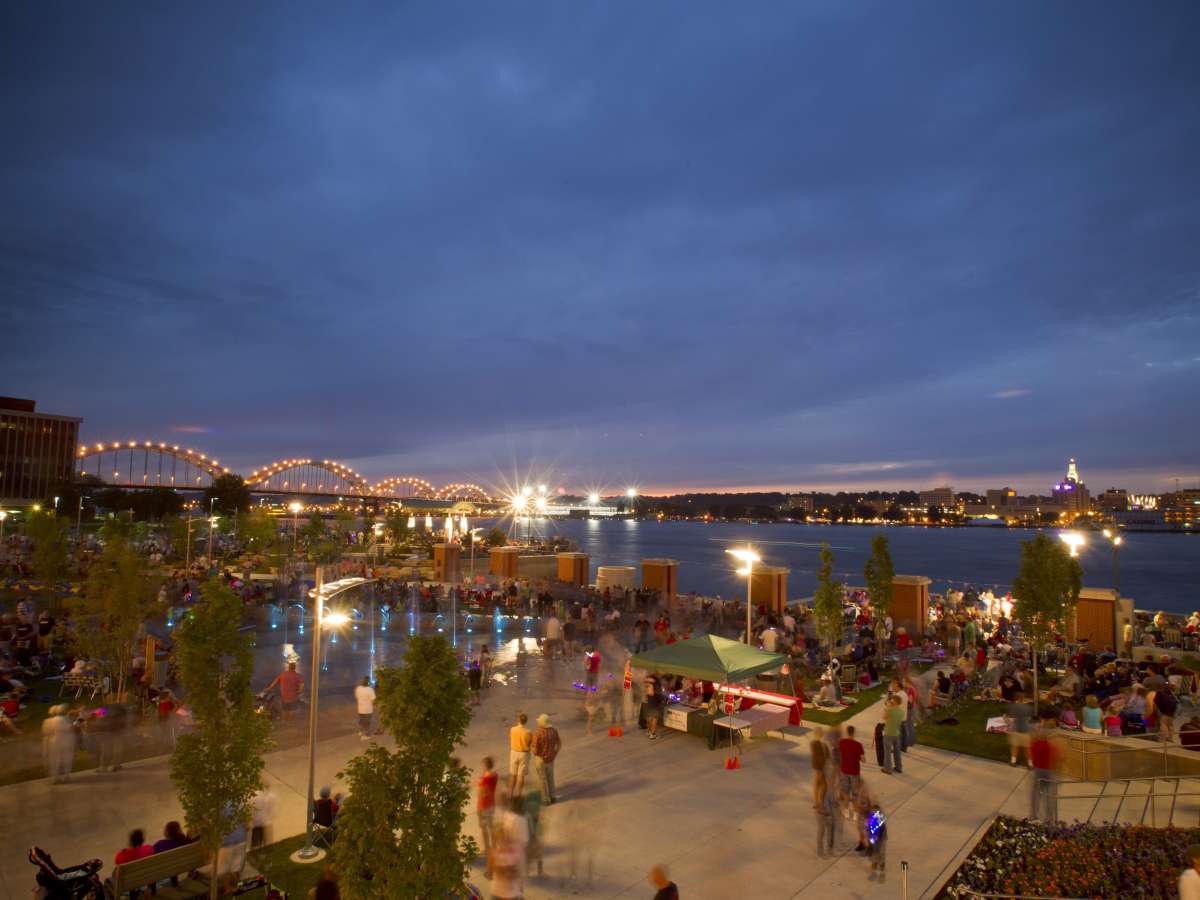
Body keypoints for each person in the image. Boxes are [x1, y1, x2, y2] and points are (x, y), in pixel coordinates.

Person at [1029, 718, 1060, 822]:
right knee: (1049, 796)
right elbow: (1055, 759)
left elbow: (1033, 760)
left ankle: (1033, 815)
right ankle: (1049, 817)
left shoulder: (1034, 745)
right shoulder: (1051, 747)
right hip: (1049, 772)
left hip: (1038, 771)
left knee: (1036, 794)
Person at [531, 713, 561, 804]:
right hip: (551, 759)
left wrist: (535, 752)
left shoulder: (538, 733)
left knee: (542, 779)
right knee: (551, 778)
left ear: (541, 723)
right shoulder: (554, 731)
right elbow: (559, 743)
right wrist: (555, 753)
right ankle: (553, 797)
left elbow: (535, 750)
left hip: (541, 759)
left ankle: (545, 799)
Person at [42, 704, 76, 783]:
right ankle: (66, 776)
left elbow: (46, 732)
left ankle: (55, 777)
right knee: (67, 758)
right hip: (67, 741)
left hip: (54, 742)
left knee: (55, 760)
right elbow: (71, 727)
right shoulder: (67, 719)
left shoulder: (48, 721)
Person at [477, 757, 498, 877]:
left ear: (485, 766)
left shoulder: (485, 779)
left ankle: (487, 848)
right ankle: (493, 845)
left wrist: (479, 784)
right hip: (491, 804)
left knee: (484, 828)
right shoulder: (495, 775)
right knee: (491, 827)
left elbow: (482, 792)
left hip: (483, 805)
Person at [813, 767, 836, 857]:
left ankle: (828, 849)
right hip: (823, 814)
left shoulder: (829, 788)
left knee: (829, 832)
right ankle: (820, 850)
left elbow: (832, 800)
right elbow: (819, 803)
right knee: (822, 832)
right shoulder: (822, 788)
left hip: (828, 812)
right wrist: (822, 810)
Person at [508, 712, 533, 796]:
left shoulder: (512, 729)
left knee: (513, 775)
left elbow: (510, 737)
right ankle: (518, 795)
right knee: (521, 776)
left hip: (514, 752)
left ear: (518, 720)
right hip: (524, 754)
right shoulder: (528, 732)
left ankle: (510, 794)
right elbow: (530, 742)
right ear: (526, 721)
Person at [838, 725, 865, 798]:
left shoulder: (842, 742)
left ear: (847, 732)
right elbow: (863, 760)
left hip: (844, 769)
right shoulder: (858, 745)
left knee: (845, 792)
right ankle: (854, 801)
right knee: (855, 793)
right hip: (854, 771)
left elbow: (839, 753)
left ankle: (846, 803)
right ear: (854, 733)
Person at [881, 695, 903, 774]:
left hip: (888, 733)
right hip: (896, 733)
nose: (891, 701)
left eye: (892, 700)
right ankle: (899, 767)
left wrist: (887, 708)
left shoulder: (890, 710)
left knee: (887, 752)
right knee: (897, 752)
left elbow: (883, 717)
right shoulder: (901, 711)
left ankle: (888, 769)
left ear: (895, 702)